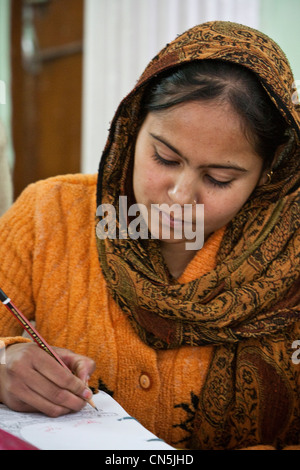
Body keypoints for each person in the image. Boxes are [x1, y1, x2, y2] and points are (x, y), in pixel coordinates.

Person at [0, 21, 299, 450]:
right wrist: (3, 362)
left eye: (218, 179)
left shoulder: (292, 258)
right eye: (164, 157)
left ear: (268, 174)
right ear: (131, 128)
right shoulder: (48, 215)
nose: (179, 196)